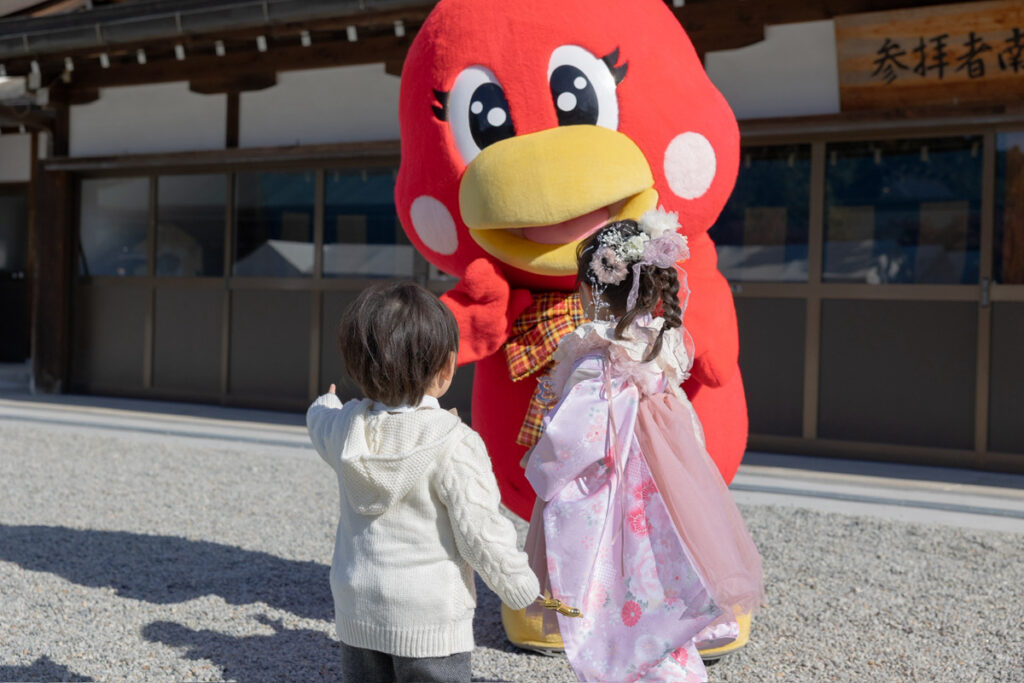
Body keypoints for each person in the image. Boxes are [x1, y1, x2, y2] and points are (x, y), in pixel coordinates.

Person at [522, 210, 764, 682]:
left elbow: (575, 437)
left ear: (588, 290)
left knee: (615, 593)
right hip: (662, 494)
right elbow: (684, 425)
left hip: (611, 498)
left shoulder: (600, 357)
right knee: (662, 584)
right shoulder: (657, 345)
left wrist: (542, 463)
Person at [306, 281, 540, 683]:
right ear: (447, 368)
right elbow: (479, 532)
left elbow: (318, 420)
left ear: (357, 367)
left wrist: (326, 402)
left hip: (357, 606)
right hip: (430, 618)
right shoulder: (455, 442)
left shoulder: (344, 427)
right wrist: (520, 586)